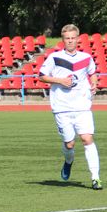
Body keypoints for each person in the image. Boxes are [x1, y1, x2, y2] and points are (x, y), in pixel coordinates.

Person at [37, 24, 102, 190]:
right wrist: (61, 81)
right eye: (67, 38)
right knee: (69, 144)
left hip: (82, 105)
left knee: (87, 139)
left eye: (73, 38)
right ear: (63, 40)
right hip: (62, 106)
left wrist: (94, 84)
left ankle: (95, 178)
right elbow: (42, 76)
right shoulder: (54, 57)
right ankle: (68, 161)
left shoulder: (86, 57)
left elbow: (92, 73)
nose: (70, 41)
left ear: (78, 39)